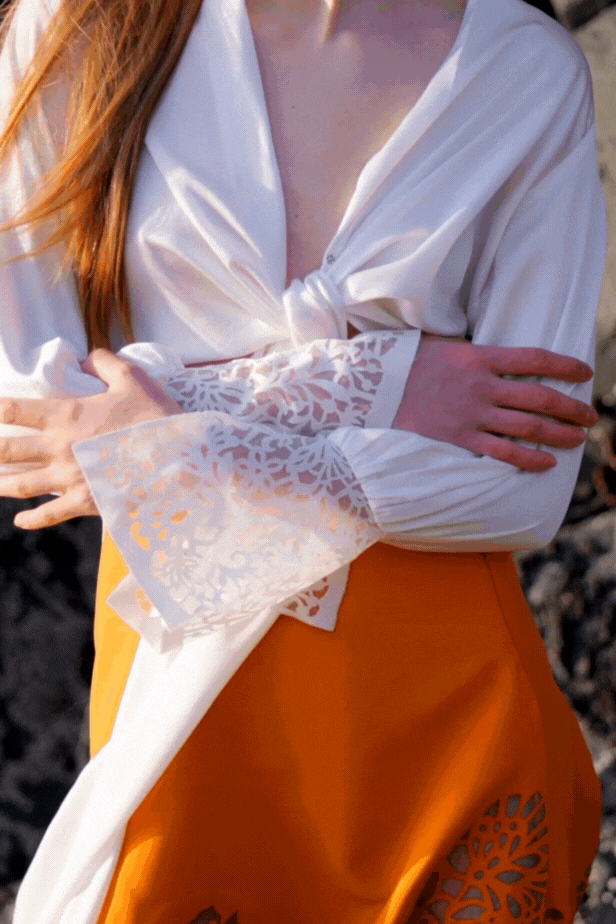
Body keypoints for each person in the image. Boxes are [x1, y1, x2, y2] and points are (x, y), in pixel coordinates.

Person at [0, 0, 607, 920]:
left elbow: (523, 492)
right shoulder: (82, 25)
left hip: (452, 721)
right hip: (182, 709)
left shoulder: (525, 70)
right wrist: (368, 382)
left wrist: (173, 428)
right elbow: (31, 422)